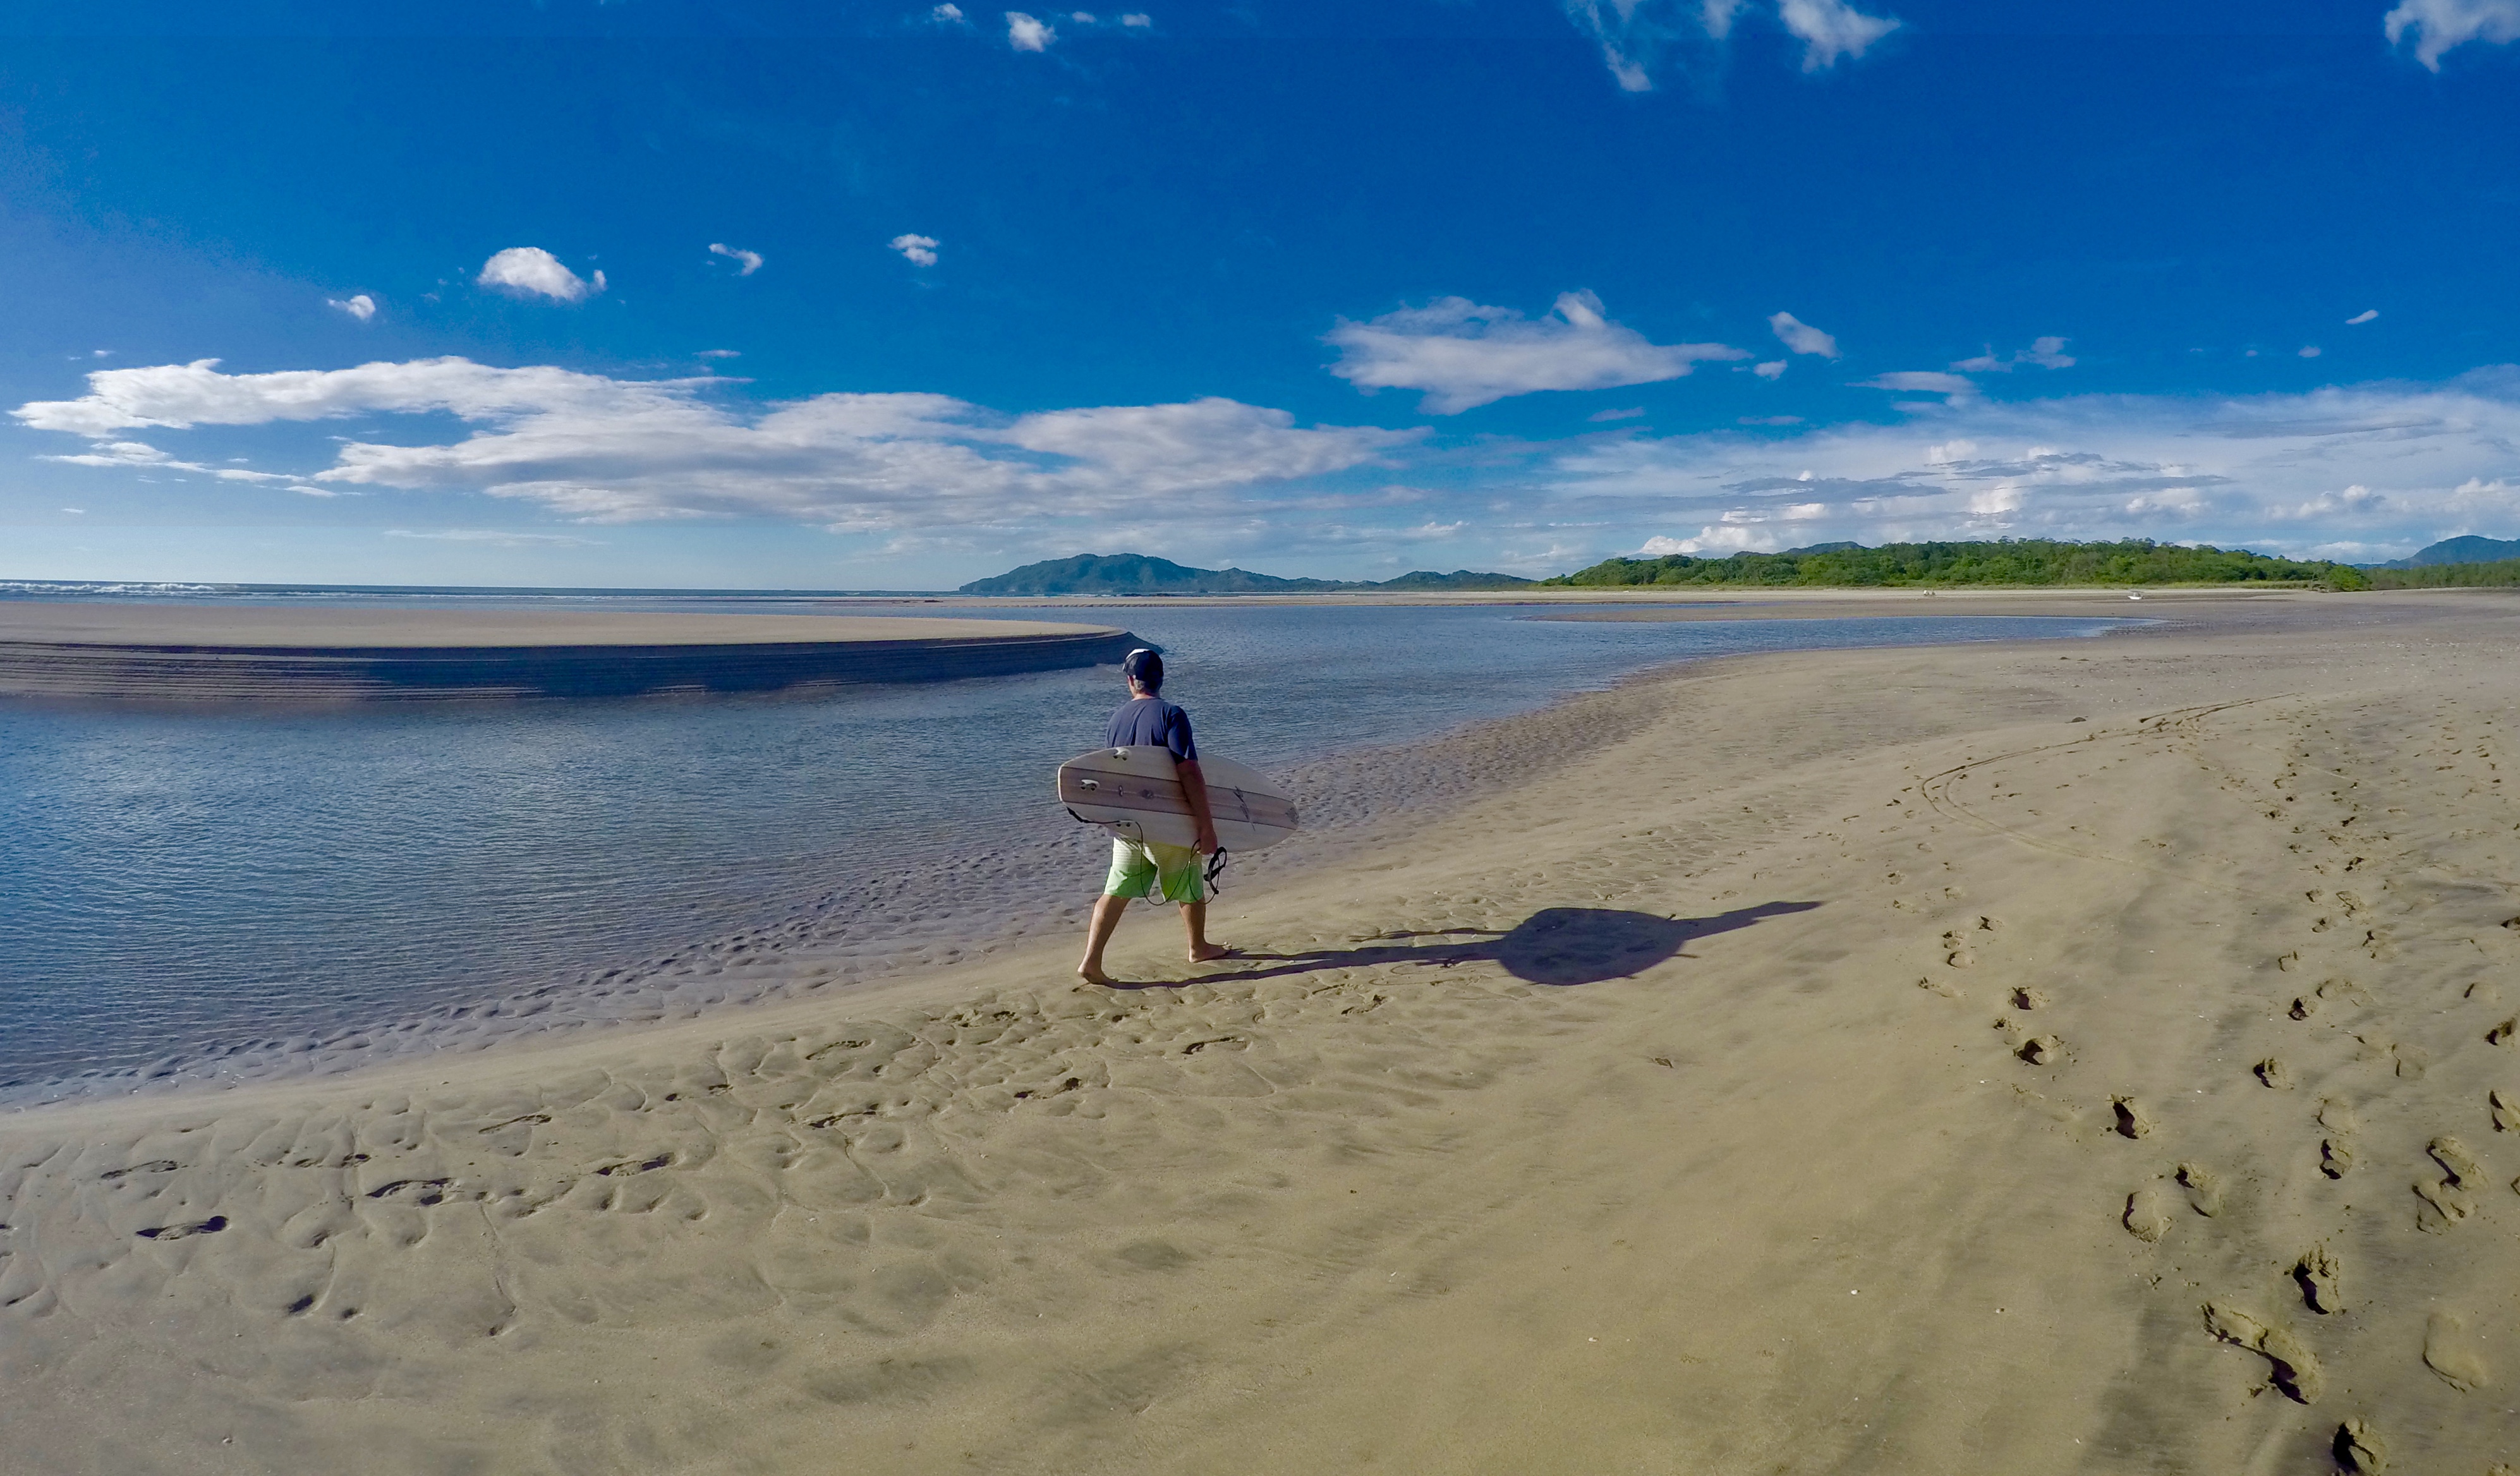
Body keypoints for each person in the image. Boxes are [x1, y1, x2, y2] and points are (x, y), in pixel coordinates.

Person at [1078, 648, 1229, 984]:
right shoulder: (1171, 714)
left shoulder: (1116, 719)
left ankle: (1091, 961)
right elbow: (1188, 771)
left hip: (1129, 824)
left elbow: (1113, 775)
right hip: (1167, 822)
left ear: (1131, 681)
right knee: (1188, 885)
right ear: (1161, 679)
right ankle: (1198, 948)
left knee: (1115, 890)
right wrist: (1206, 825)